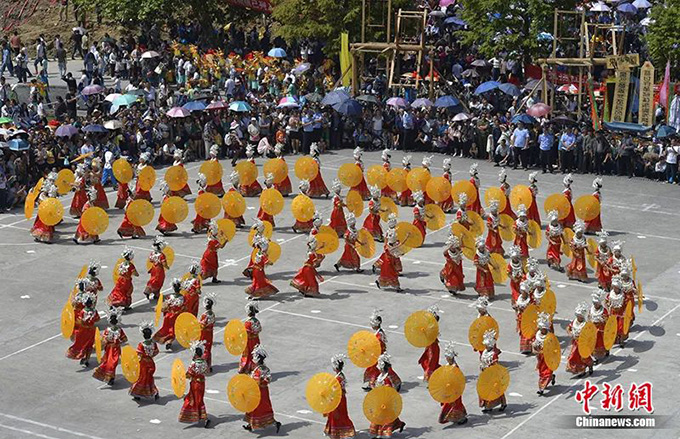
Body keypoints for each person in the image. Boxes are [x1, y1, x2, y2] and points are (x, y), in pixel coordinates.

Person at [243, 345, 282, 433]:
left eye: (254, 356)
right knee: (252, 408)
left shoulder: (264, 369)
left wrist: (260, 380)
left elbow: (267, 380)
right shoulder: (256, 368)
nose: (253, 358)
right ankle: (250, 424)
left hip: (261, 393)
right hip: (254, 391)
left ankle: (275, 423)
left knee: (262, 408)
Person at [368, 354, 406, 438]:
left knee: (385, 418)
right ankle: (398, 424)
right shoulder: (380, 376)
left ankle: (384, 432)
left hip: (385, 401)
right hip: (379, 399)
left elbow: (389, 389)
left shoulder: (387, 378)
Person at [363, 310, 402, 391]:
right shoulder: (378, 333)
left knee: (381, 369)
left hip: (379, 355)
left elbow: (379, 346)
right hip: (376, 354)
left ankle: (374, 384)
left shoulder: (380, 334)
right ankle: (372, 383)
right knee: (376, 369)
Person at [179, 340, 210, 427]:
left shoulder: (193, 364)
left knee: (196, 400)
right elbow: (206, 371)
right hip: (202, 383)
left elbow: (188, 375)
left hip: (195, 384)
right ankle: (200, 416)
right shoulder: (204, 362)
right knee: (199, 399)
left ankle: (204, 418)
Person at [324, 354, 356, 439]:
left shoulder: (338, 378)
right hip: (340, 398)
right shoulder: (340, 376)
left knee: (338, 415)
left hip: (337, 400)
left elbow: (336, 390)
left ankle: (342, 432)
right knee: (340, 415)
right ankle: (342, 431)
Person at [93, 308, 128, 385]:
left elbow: (124, 339)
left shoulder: (118, 330)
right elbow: (124, 340)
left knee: (113, 363)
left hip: (115, 349)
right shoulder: (109, 330)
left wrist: (117, 340)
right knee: (109, 363)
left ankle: (111, 377)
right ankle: (110, 377)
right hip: (110, 348)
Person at [66, 292, 100, 366]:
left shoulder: (82, 312)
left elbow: (80, 321)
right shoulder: (94, 311)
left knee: (82, 343)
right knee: (89, 345)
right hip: (91, 330)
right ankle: (87, 359)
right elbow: (98, 319)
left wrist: (84, 322)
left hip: (83, 330)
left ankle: (81, 355)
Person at [438, 342, 468, 425]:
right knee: (450, 404)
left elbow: (458, 379)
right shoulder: (447, 366)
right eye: (446, 358)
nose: (447, 359)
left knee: (455, 404)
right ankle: (460, 416)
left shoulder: (455, 367)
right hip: (448, 389)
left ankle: (460, 418)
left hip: (455, 390)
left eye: (448, 358)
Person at [129, 321, 160, 401]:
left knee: (141, 378)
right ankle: (154, 392)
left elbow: (139, 354)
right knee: (149, 378)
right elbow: (156, 352)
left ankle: (137, 393)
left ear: (143, 335)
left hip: (143, 364)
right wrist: (150, 356)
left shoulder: (141, 344)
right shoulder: (153, 344)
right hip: (151, 363)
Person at [479, 329, 507, 411]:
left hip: (493, 374)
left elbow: (495, 364)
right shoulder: (484, 352)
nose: (486, 347)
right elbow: (482, 360)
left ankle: (503, 403)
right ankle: (488, 405)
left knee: (497, 389)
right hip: (485, 373)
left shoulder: (493, 354)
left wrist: (488, 368)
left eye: (487, 345)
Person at [153, 279, 185, 350]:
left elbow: (165, 306)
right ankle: (169, 342)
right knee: (173, 330)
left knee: (165, 329)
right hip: (177, 317)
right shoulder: (183, 298)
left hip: (168, 316)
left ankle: (157, 338)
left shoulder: (170, 297)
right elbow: (184, 308)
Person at [565, 302, 594, 378]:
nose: (579, 317)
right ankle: (581, 370)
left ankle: (590, 365)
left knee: (584, 357)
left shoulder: (586, 324)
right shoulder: (574, 322)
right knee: (575, 356)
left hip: (583, 344)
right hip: (575, 343)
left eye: (580, 316)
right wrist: (570, 333)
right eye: (578, 316)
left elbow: (590, 334)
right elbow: (568, 328)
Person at [532, 312, 556, 395]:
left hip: (548, 357)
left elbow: (554, 346)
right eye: (542, 328)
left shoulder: (550, 336)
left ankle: (541, 389)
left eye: (545, 329)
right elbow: (534, 344)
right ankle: (550, 378)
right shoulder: (538, 335)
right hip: (540, 357)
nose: (543, 330)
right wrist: (535, 349)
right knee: (542, 372)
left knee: (547, 372)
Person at [374, 228, 403, 292]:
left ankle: (379, 281)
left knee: (388, 274)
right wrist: (406, 238)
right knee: (391, 275)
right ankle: (397, 287)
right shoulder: (388, 247)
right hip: (387, 263)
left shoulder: (392, 245)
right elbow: (398, 247)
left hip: (391, 262)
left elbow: (396, 250)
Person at [418, 306, 441, 381]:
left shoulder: (433, 327)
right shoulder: (431, 326)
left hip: (433, 347)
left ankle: (431, 377)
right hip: (430, 346)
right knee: (426, 361)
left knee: (431, 363)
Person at [240, 301, 262, 374]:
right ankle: (255, 367)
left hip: (249, 340)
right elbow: (259, 329)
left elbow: (245, 332)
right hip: (256, 339)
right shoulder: (257, 321)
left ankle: (246, 367)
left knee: (247, 353)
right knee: (255, 353)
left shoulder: (248, 322)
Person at [143, 236, 169, 301]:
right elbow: (164, 264)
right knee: (159, 281)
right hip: (159, 269)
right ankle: (151, 291)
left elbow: (150, 260)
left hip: (153, 268)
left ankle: (154, 292)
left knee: (153, 279)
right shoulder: (161, 255)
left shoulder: (152, 253)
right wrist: (167, 267)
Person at [513, 282, 534, 354]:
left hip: (528, 319)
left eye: (524, 292)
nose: (522, 293)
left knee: (528, 332)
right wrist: (516, 309)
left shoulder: (530, 300)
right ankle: (524, 348)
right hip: (521, 318)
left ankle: (529, 347)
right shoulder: (519, 298)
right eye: (522, 291)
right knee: (523, 332)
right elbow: (517, 307)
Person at [607, 276, 629, 348]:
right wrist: (609, 305)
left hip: (621, 314)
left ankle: (622, 341)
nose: (614, 289)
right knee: (613, 328)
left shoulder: (623, 295)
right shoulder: (611, 294)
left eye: (616, 287)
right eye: (614, 287)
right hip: (613, 313)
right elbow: (607, 301)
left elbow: (627, 304)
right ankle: (614, 339)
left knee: (621, 328)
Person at [590, 289, 610, 362]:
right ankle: (595, 356)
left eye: (596, 303)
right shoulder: (591, 309)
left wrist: (601, 320)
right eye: (594, 303)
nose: (595, 305)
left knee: (600, 343)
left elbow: (607, 319)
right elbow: (589, 317)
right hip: (593, 329)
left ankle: (604, 351)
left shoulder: (603, 310)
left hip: (601, 330)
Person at [199, 294, 216, 371]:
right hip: (210, 333)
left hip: (204, 334)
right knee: (208, 348)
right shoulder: (212, 314)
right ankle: (209, 365)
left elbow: (202, 325)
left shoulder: (204, 315)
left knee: (203, 348)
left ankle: (204, 365)